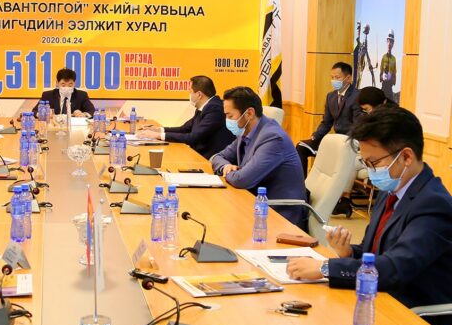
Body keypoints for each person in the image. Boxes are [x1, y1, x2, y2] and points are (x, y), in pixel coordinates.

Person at [287, 106, 452, 325]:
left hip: (414, 320)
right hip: (378, 301)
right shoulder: (392, 190)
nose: (371, 172)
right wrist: (348, 252)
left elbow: (394, 268)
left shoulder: (433, 204)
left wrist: (324, 268)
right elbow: (371, 251)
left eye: (374, 163)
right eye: (366, 164)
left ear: (406, 157)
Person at [210, 87, 307, 227]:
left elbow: (242, 180)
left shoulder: (273, 138)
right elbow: (217, 157)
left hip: (279, 214)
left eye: (230, 116)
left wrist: (230, 173)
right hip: (255, 203)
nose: (227, 121)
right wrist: (225, 166)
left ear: (249, 113)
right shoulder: (245, 132)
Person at [136, 75, 234, 159]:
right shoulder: (205, 107)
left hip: (211, 158)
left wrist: (157, 136)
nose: (189, 95)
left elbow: (193, 137)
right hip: (199, 154)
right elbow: (184, 129)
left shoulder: (215, 108)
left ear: (199, 94)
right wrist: (159, 130)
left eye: (190, 92)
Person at [296, 62, 362, 178]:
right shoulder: (330, 96)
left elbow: (358, 125)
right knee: (301, 147)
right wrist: (316, 135)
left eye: (337, 77)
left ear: (348, 78)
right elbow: (326, 122)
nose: (334, 80)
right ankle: (301, 184)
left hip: (350, 141)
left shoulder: (357, 96)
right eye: (332, 77)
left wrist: (344, 140)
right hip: (335, 140)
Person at [378, 30, 397, 102]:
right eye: (388, 41)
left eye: (391, 41)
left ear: (393, 43)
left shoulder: (394, 59)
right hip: (384, 86)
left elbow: (394, 76)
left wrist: (391, 77)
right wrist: (383, 76)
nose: (389, 43)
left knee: (391, 104)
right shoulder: (383, 57)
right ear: (387, 42)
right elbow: (380, 75)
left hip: (390, 86)